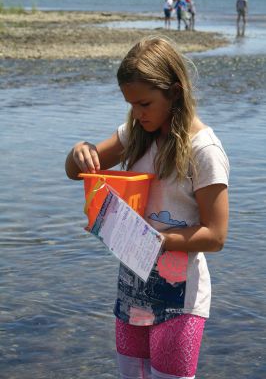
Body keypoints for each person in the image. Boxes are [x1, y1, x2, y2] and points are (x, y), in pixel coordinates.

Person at [65, 36, 230, 379]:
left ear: (173, 91)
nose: (138, 114)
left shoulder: (204, 150)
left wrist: (153, 239)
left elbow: (215, 236)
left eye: (144, 104)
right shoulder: (135, 135)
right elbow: (76, 171)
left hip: (179, 301)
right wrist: (79, 149)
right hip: (130, 293)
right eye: (131, 105)